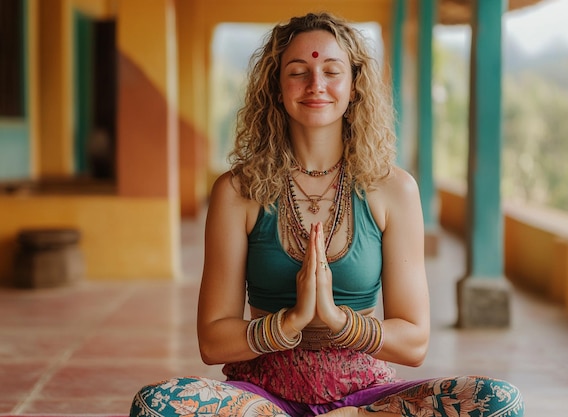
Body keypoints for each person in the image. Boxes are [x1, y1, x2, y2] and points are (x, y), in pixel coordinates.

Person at [130, 12, 524, 417]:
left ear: (354, 86)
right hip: (262, 402)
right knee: (156, 406)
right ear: (276, 88)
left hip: (365, 400)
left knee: (498, 402)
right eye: (298, 72)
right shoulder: (237, 192)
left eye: (331, 71)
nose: (315, 85)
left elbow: (414, 343)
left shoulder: (393, 190)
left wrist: (337, 321)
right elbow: (213, 341)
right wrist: (291, 322)